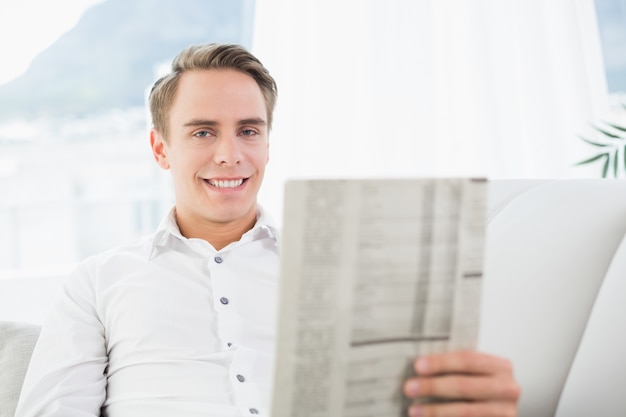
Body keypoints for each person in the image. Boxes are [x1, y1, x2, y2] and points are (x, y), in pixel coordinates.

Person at [15, 43, 520, 417]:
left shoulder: (342, 273)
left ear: (268, 143)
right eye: (203, 132)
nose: (230, 154)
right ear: (160, 148)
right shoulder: (97, 281)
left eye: (249, 130)